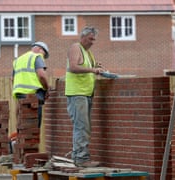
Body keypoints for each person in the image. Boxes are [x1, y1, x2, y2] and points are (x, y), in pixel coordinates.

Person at [65, 26, 105, 167]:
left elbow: (88, 68)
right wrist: (93, 69)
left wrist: (96, 66)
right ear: (82, 37)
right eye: (90, 39)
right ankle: (82, 159)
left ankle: (79, 156)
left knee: (84, 127)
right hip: (77, 93)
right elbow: (73, 67)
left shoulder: (88, 53)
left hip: (86, 94)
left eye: (94, 39)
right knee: (81, 126)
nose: (92, 42)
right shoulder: (76, 47)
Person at [12, 41, 50, 128]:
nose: (43, 56)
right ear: (40, 49)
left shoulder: (18, 60)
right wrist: (47, 88)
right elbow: (42, 76)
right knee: (34, 127)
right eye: (44, 54)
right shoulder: (37, 57)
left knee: (22, 125)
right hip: (33, 95)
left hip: (20, 95)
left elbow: (13, 79)